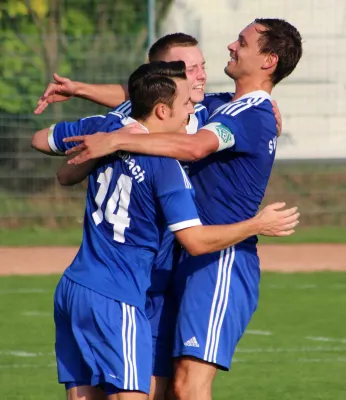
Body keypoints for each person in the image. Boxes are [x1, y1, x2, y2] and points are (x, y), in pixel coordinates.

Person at [62, 18, 303, 400]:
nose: (231, 46)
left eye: (242, 42)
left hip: (220, 259)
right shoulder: (224, 106)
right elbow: (149, 97)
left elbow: (194, 148)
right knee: (162, 385)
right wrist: (78, 89)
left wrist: (116, 140)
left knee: (190, 385)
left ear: (268, 60)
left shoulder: (252, 113)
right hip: (187, 257)